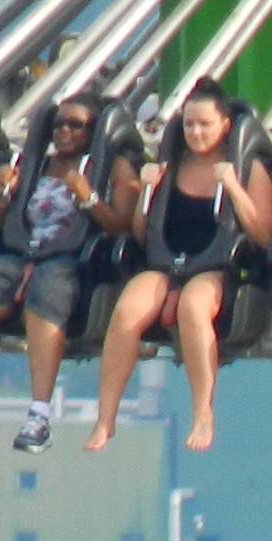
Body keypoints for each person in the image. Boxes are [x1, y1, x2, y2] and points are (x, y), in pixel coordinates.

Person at [0, 93, 138, 453]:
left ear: (94, 131)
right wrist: (3, 192)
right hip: (21, 251)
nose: (64, 131)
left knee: (44, 300)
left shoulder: (110, 168)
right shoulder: (32, 165)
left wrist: (88, 198)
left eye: (76, 125)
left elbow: (123, 226)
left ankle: (39, 414)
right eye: (59, 124)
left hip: (72, 257)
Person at [84, 78, 272, 452]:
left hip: (218, 265)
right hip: (167, 262)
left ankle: (203, 411)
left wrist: (233, 186)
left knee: (193, 306)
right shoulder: (170, 165)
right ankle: (106, 419)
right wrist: (146, 193)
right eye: (189, 125)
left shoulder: (247, 168)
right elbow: (142, 233)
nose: (196, 133)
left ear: (224, 125)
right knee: (126, 313)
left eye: (204, 124)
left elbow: (262, 232)